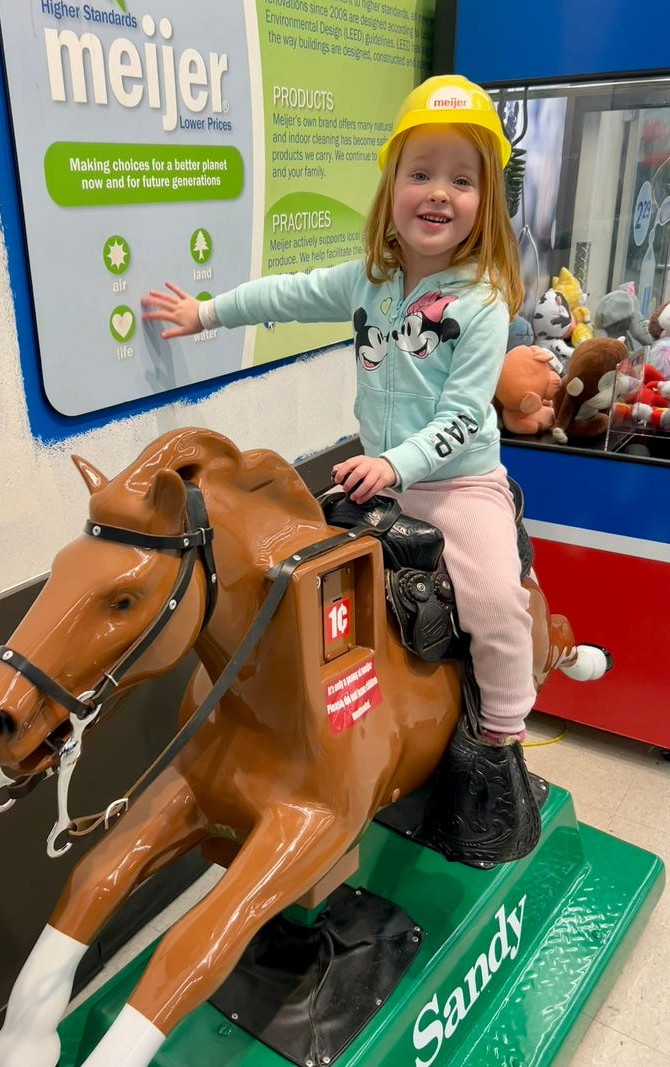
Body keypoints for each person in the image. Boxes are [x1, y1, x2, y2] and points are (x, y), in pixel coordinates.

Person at [142, 74, 533, 750]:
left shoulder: (482, 300)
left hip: (457, 486)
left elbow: (464, 416)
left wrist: (392, 462)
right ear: (393, 190)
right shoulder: (368, 281)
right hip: (377, 476)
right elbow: (287, 295)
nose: (440, 191)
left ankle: (502, 733)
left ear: (484, 204)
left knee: (497, 603)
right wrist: (204, 312)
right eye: (422, 173)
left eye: (462, 181)